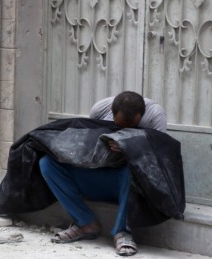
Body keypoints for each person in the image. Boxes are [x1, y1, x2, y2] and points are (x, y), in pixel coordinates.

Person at [38, 91, 167, 256]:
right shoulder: (101, 109)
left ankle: (123, 232)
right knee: (47, 163)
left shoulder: (155, 115)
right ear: (112, 114)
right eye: (118, 125)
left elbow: (159, 159)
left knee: (133, 170)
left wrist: (130, 147)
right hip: (97, 174)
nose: (122, 130)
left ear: (140, 117)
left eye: (131, 127)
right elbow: (88, 142)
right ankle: (85, 223)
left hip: (126, 184)